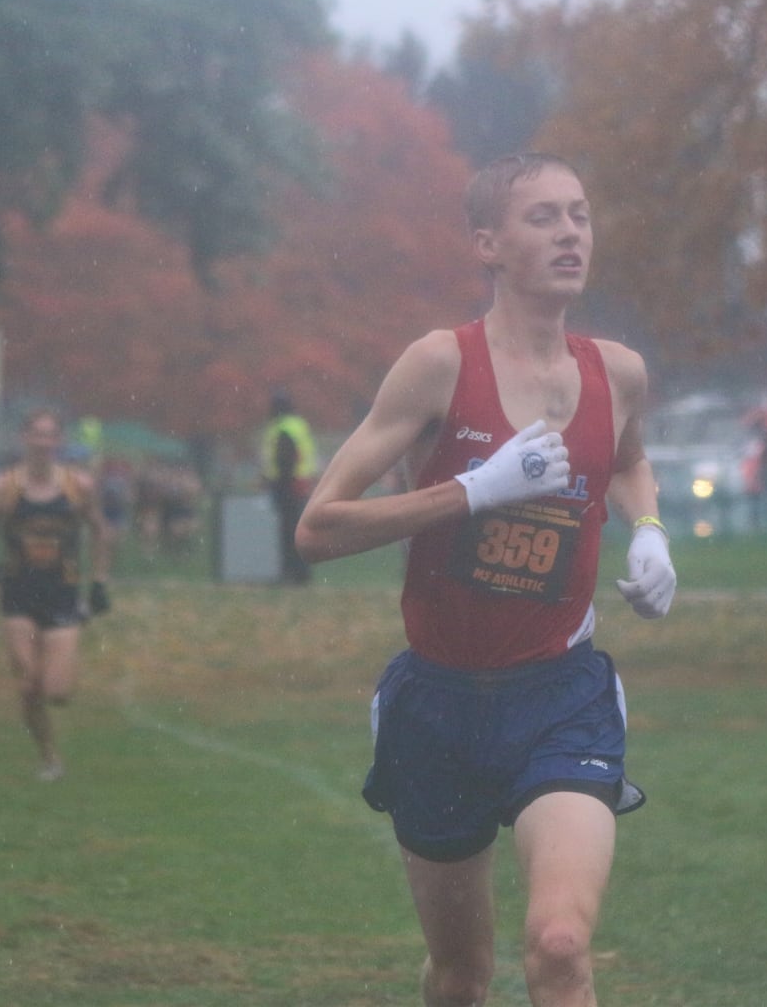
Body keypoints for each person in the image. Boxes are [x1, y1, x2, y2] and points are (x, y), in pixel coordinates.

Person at [295, 151, 675, 1007]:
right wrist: (474, 491)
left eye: (579, 213)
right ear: (488, 245)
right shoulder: (438, 364)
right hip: (438, 702)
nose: (571, 232)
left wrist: (651, 531)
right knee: (462, 973)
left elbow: (632, 461)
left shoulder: (618, 372)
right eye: (543, 217)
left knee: (560, 944)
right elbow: (318, 529)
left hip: (560, 694)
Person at [0, 409, 113, 780]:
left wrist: (100, 581)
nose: (42, 442)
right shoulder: (3, 488)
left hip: (63, 595)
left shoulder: (78, 487)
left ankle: (59, 664)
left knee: (57, 693)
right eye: (36, 434)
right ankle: (49, 757)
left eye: (50, 435)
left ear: (58, 441)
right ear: (24, 438)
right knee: (27, 684)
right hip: (18, 595)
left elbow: (101, 532)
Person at [260, 391, 319, 583]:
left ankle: (292, 574)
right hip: (300, 483)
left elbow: (285, 459)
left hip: (288, 485)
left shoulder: (283, 428)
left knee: (288, 532)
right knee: (296, 530)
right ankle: (300, 573)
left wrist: (277, 482)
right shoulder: (298, 425)